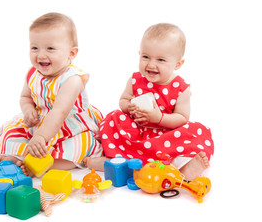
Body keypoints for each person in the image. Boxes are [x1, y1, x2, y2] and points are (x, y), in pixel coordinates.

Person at [83, 23, 214, 181]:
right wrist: (128, 107)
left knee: (197, 131)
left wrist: (159, 118)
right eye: (145, 57)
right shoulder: (135, 79)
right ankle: (115, 160)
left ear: (177, 64)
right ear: (139, 54)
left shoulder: (181, 88)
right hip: (136, 132)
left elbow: (182, 117)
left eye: (161, 60)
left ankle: (181, 167)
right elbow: (123, 100)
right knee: (114, 118)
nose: (151, 64)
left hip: (164, 136)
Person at [0, 12, 103, 176]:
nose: (41, 55)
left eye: (50, 48)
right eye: (35, 48)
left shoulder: (72, 80)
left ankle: (47, 164)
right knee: (9, 132)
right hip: (41, 123)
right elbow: (25, 97)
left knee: (80, 146)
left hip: (70, 126)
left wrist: (42, 137)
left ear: (71, 54)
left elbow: (59, 112)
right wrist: (28, 109)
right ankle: (20, 158)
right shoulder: (33, 73)